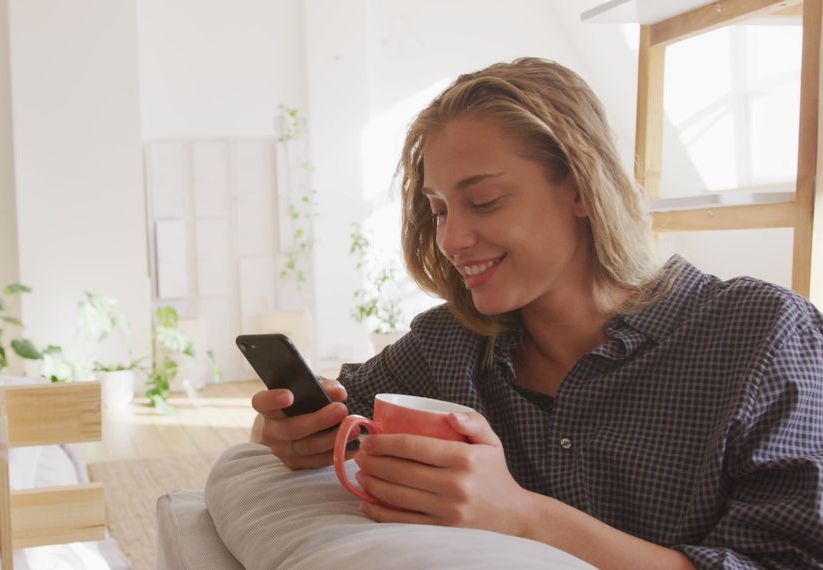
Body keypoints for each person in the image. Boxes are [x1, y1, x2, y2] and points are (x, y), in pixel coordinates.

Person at [250, 57, 823, 569]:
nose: (451, 238)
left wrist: (523, 515)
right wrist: (289, 432)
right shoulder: (448, 344)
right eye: (440, 209)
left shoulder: (763, 334)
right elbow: (338, 418)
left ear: (581, 189)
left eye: (484, 202)